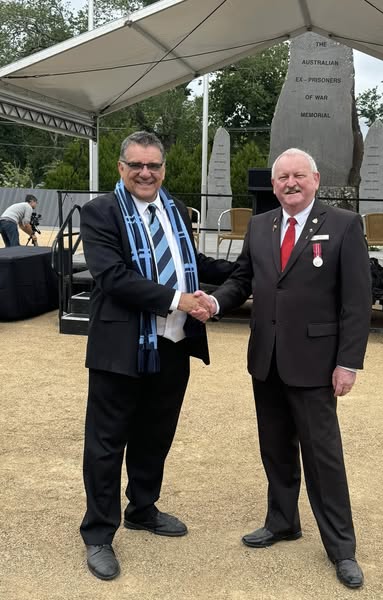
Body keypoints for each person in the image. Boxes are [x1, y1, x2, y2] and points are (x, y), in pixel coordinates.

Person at [194, 148, 372, 589]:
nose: (290, 183)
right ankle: (282, 521)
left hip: (316, 363)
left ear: (315, 179)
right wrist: (215, 302)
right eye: (282, 177)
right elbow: (242, 279)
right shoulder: (260, 226)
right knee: (274, 448)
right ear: (273, 186)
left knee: (323, 458)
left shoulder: (344, 224)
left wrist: (348, 363)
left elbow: (356, 301)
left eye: (298, 176)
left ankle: (342, 549)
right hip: (266, 359)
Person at [79, 130, 233, 581]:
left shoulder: (175, 209)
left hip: (173, 344)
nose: (145, 173)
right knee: (106, 443)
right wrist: (178, 300)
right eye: (136, 165)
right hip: (120, 347)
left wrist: (249, 268)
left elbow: (190, 262)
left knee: (155, 435)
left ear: (163, 169)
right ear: (121, 168)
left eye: (153, 165)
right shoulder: (101, 212)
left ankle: (142, 508)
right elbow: (112, 276)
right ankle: (98, 533)